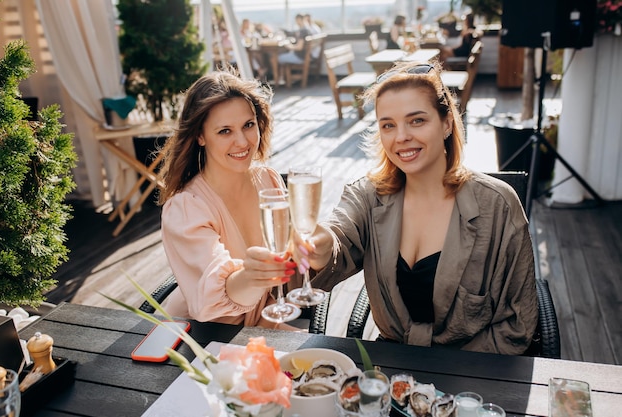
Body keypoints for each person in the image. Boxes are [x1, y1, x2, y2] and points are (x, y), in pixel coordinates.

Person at [294, 61, 538, 354]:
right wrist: (319, 245)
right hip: (393, 369)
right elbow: (337, 239)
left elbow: (518, 325)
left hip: (472, 371)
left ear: (447, 123)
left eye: (417, 120)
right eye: (388, 125)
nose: (401, 137)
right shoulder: (367, 196)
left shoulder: (498, 206)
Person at [157, 69, 300, 327]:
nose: (242, 142)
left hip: (260, 321)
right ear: (200, 136)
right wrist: (254, 276)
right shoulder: (186, 207)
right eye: (225, 131)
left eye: (248, 125)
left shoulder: (268, 180)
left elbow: (288, 258)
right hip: (199, 336)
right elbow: (216, 294)